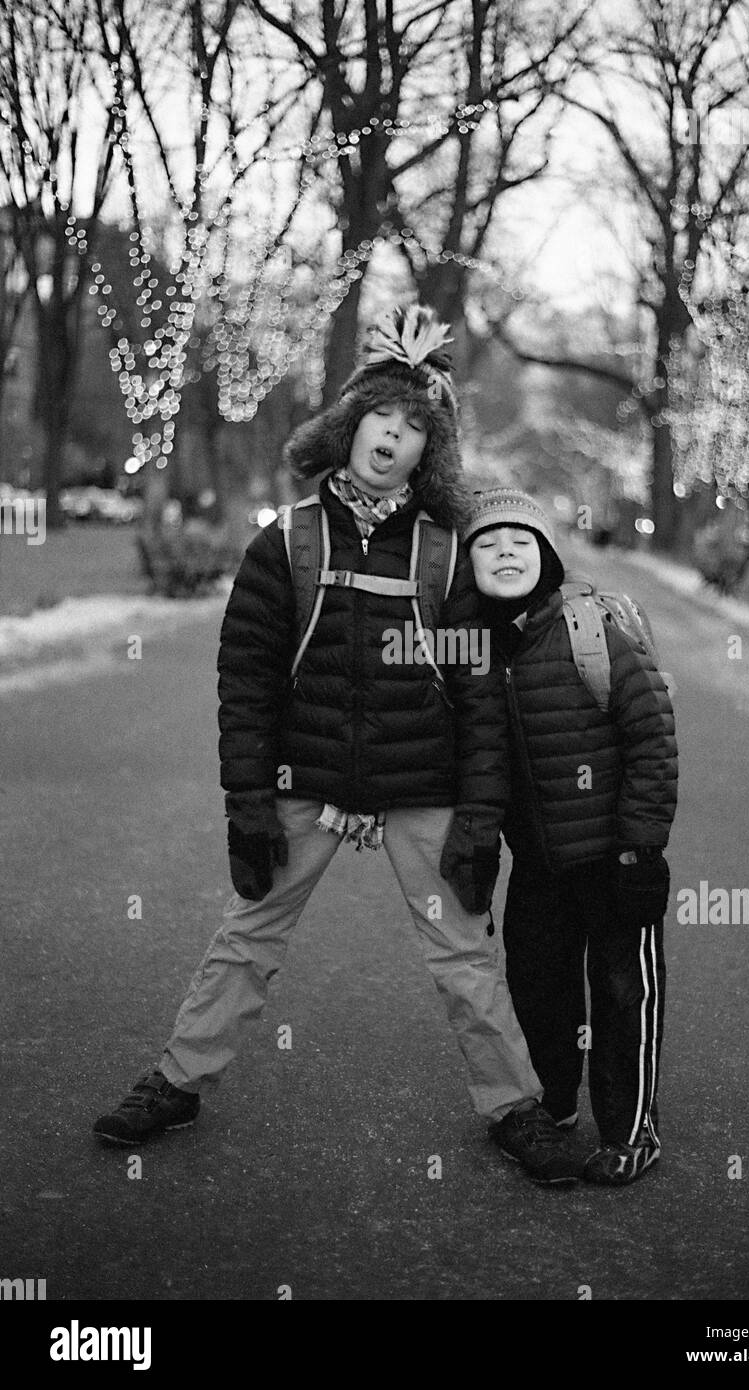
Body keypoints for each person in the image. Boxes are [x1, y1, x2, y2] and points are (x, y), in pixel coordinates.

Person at [93, 307, 585, 1186]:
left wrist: (479, 817)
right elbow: (245, 682)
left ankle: (514, 1105)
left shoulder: (444, 554)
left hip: (422, 781)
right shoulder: (286, 541)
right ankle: (178, 1079)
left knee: (463, 953)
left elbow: (478, 696)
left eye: (410, 429)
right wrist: (248, 801)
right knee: (248, 933)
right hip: (305, 772)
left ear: (426, 451)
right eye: (379, 421)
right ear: (348, 427)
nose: (390, 440)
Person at [465, 488, 678, 1185]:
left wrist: (641, 846)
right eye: (487, 544)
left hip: (613, 859)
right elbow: (478, 762)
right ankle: (553, 1103)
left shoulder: (591, 630)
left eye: (520, 542)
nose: (504, 553)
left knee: (623, 995)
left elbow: (650, 737)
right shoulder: (477, 650)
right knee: (539, 986)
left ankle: (630, 1130)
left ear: (548, 557)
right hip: (539, 867)